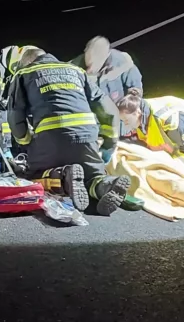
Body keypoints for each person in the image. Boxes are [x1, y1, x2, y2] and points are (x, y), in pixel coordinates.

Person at [7, 47, 131, 215]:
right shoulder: (77, 71)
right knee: (93, 174)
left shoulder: (24, 74)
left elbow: (15, 116)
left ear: (27, 62)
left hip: (51, 138)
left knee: (32, 175)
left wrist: (25, 141)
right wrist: (108, 142)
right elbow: (108, 110)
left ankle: (64, 177)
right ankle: (106, 185)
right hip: (86, 136)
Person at [116, 90, 184, 178]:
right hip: (180, 144)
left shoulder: (168, 119)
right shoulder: (141, 118)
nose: (125, 124)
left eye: (126, 120)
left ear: (137, 113)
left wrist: (176, 166)